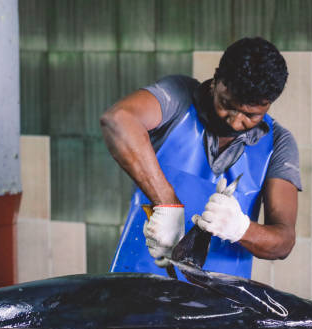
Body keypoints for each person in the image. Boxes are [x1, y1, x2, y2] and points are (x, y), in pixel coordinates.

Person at [101, 37, 301, 280]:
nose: (235, 121)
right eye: (226, 104)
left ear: (268, 105)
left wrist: (241, 229)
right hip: (137, 289)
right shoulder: (178, 98)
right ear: (216, 80)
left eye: (251, 115)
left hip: (220, 307)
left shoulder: (278, 144)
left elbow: (283, 242)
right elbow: (118, 120)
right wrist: (167, 205)